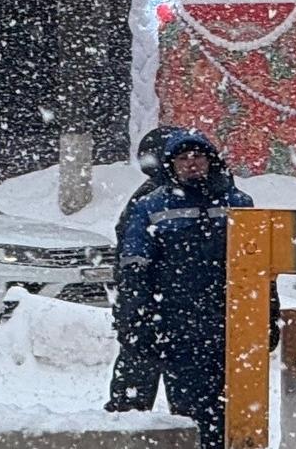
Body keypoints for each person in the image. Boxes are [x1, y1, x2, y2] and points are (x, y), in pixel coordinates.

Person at [108, 129, 252, 449]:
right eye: (182, 158)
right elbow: (133, 265)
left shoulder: (237, 202)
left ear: (210, 160)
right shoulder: (150, 204)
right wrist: (135, 316)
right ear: (169, 164)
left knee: (218, 413)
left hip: (219, 325)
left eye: (197, 157)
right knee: (141, 405)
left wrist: (264, 314)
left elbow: (257, 265)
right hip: (172, 322)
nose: (191, 164)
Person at [106, 123, 182, 414]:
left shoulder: (147, 198)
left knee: (131, 402)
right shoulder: (155, 199)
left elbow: (127, 265)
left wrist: (130, 309)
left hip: (145, 310)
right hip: (156, 310)